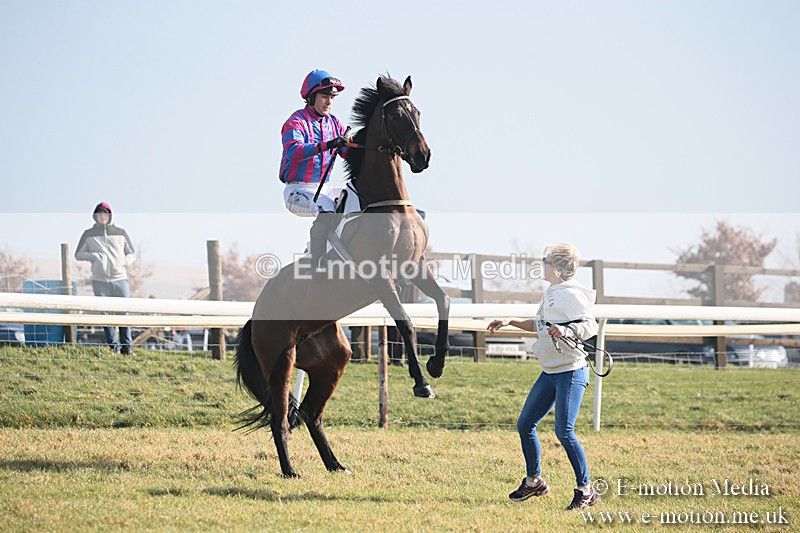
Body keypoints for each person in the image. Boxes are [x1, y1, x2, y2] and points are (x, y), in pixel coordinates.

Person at [487, 243, 601, 510]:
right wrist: (510, 320)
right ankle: (534, 481)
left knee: (564, 431)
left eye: (546, 261)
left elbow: (589, 325)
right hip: (550, 372)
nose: (542, 265)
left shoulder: (570, 294)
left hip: (570, 372)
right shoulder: (553, 291)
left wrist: (566, 331)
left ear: (558, 269)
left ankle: (586, 490)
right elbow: (540, 326)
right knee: (525, 424)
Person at [280, 69, 351, 278]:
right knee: (327, 207)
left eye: (332, 97)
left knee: (354, 199)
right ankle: (315, 263)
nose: (329, 102)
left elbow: (348, 153)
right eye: (324, 96)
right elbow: (293, 151)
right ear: (311, 97)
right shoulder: (295, 122)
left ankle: (328, 250)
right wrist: (327, 144)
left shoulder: (334, 123)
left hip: (325, 189)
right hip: (297, 190)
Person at [75, 202, 137, 355]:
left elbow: (132, 253)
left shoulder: (121, 232)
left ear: (110, 216)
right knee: (106, 314)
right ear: (95, 216)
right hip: (100, 281)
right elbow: (78, 254)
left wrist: (124, 262)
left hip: (120, 279)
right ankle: (113, 347)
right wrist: (94, 256)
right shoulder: (88, 234)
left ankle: (127, 347)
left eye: (105, 214)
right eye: (99, 214)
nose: (102, 216)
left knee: (124, 313)